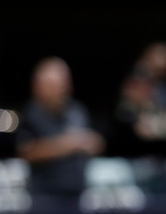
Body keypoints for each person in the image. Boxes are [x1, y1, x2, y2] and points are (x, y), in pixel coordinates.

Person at [16, 57, 106, 198]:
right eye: (54, 85)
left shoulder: (77, 111)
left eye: (63, 83)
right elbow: (26, 152)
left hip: (78, 192)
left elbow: (95, 142)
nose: (61, 89)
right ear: (38, 86)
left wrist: (94, 142)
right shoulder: (31, 114)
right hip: (45, 196)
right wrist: (67, 144)